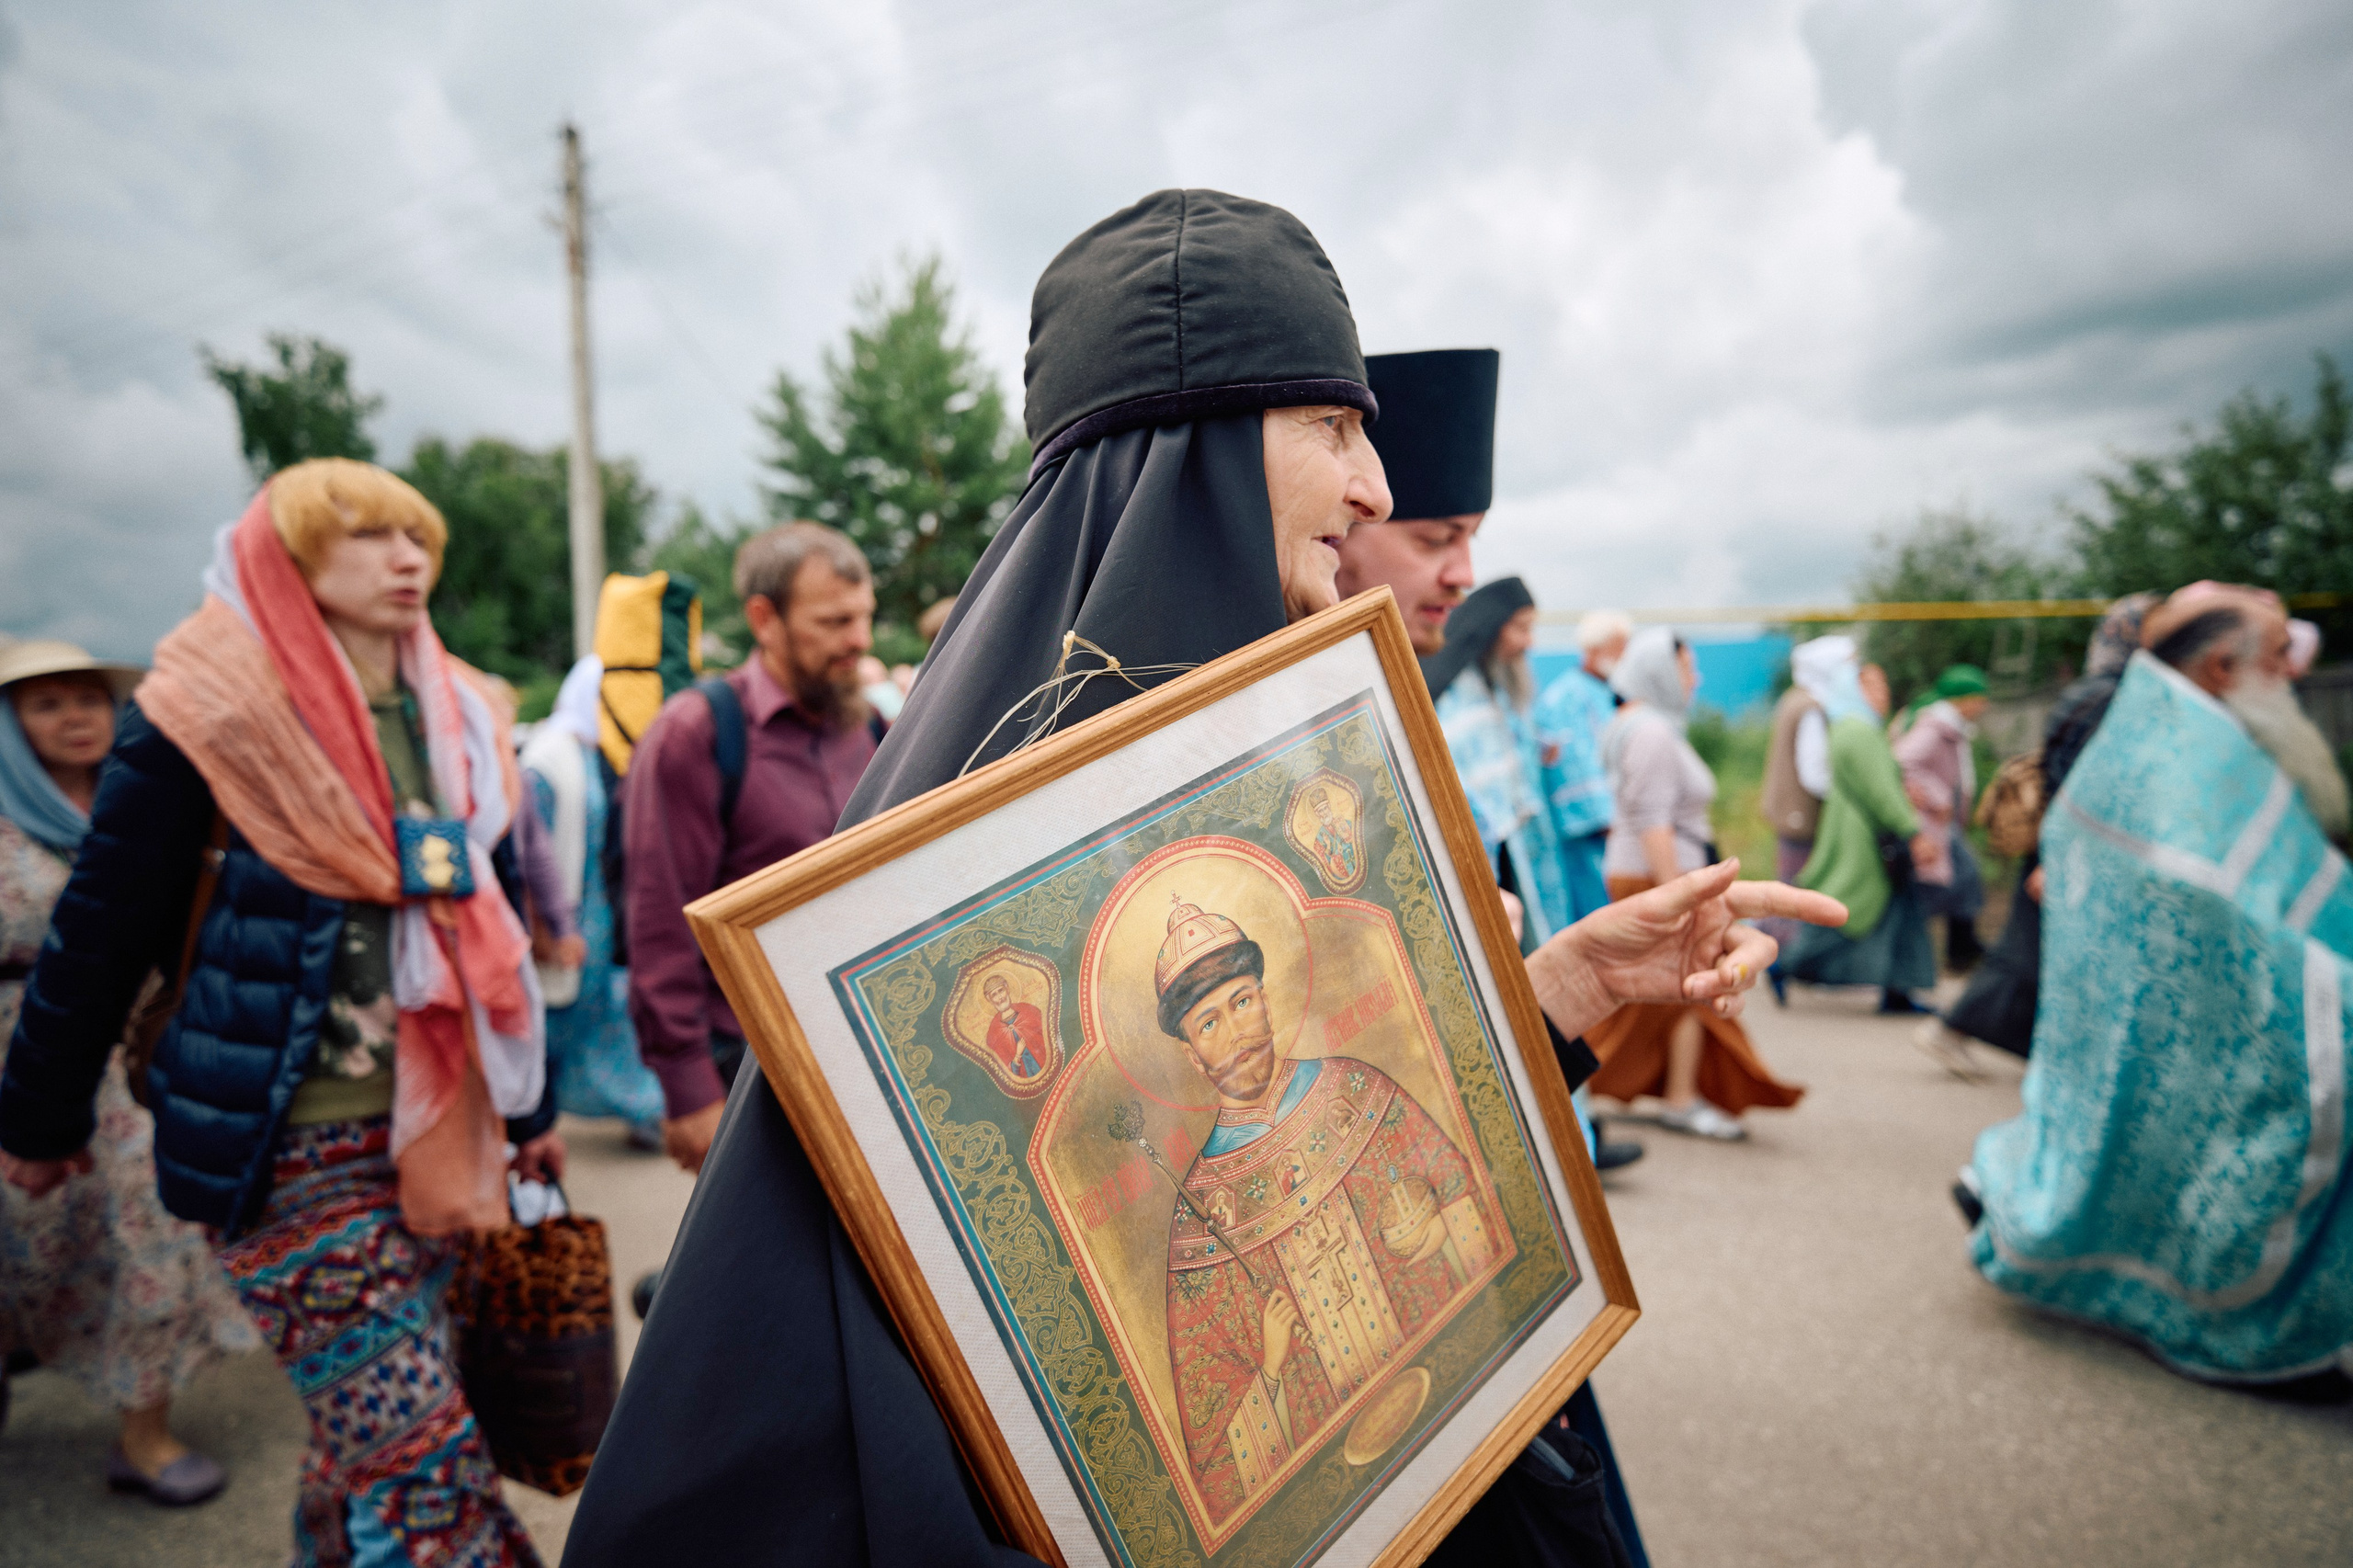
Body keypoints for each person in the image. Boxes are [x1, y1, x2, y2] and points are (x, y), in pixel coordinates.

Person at [566, 189, 1841, 1568]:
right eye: (1337, 429)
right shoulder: (962, 856)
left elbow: (1413, 1168)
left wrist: (1560, 989)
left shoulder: (1302, 751)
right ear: (1206, 454)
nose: (1378, 490)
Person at [0, 460, 561, 1563]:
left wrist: (530, 1105)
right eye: (368, 536)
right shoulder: (204, 711)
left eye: (418, 537)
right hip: (284, 1144)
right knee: (429, 1469)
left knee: (365, 1444)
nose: (408, 559)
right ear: (287, 553)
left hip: (442, 1129)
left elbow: (485, 920)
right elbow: (101, 928)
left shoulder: (466, 711)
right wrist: (40, 1118)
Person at [1961, 585, 2353, 1396]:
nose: (2289, 671)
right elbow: (2204, 888)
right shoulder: (2174, 746)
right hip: (2207, 1008)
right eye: (2278, 654)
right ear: (2220, 664)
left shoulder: (2187, 728)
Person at [0, 640, 257, 1502]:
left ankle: (143, 1431)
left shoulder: (142, 800)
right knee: (21, 1245)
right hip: (18, 1049)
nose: (76, 717)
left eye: (88, 699)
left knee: (149, 1234)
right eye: (46, 704)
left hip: (123, 1059)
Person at [623, 521, 882, 1179]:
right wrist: (688, 1092)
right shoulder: (698, 732)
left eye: (864, 617)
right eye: (834, 621)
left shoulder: (873, 729)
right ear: (764, 619)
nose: (861, 640)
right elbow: (659, 920)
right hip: (747, 1068)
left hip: (865, 1055)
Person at [1582, 630, 1805, 1141]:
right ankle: (1678, 1099)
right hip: (1658, 874)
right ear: (1660, 671)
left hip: (1652, 872)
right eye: (1686, 667)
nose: (1695, 678)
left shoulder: (1634, 725)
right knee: (1684, 986)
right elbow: (1653, 820)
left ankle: (1598, 1086)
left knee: (1658, 993)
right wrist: (1674, 898)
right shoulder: (1652, 732)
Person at [1921, 597, 2153, 1074]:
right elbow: (2080, 784)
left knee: (2036, 952)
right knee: (2027, 955)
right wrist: (2060, 855)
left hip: (2062, 847)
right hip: (2067, 848)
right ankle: (1954, 1028)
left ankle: (2032, 1049)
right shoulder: (2106, 698)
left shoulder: (2096, 692)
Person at [522, 655, 665, 1147]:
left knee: (607, 1017)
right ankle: (532, 1121)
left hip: (595, 912)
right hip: (567, 913)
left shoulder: (591, 751)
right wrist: (546, 927)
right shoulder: (547, 758)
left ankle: (641, 1110)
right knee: (557, 1021)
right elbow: (529, 851)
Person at [1427, 578, 1574, 943]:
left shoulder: (1492, 682)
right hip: (1485, 849)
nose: (1529, 642)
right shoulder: (1450, 690)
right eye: (1521, 629)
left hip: (1519, 838)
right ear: (1491, 625)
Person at [1784, 663, 1938, 1011]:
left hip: (1868, 836)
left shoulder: (1856, 727)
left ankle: (1899, 991)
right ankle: (1788, 964)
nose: (1882, 695)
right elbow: (1881, 792)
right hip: (1866, 841)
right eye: (1872, 687)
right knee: (1848, 912)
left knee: (1895, 911)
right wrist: (1913, 831)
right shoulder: (1858, 731)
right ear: (1853, 690)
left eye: (1884, 686)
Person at [1892, 665, 1991, 971]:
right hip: (1930, 824)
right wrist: (1937, 798)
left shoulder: (1951, 725)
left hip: (1943, 824)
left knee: (1962, 878)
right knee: (1961, 877)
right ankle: (1955, 951)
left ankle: (1959, 949)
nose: (1984, 705)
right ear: (1963, 699)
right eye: (1979, 697)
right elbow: (1902, 761)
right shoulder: (1935, 727)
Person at [1534, 611, 1628, 923]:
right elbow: (1575, 763)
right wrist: (1606, 817)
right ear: (1594, 650)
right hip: (1591, 827)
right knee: (1598, 910)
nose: (1623, 656)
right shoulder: (1566, 696)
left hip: (1616, 822)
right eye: (1617, 648)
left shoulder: (1607, 692)